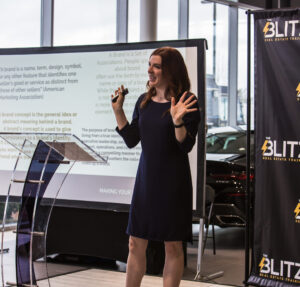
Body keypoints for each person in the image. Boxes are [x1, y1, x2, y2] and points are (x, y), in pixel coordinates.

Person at [111, 46, 200, 287]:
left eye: (156, 66)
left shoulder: (187, 101)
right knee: (134, 243)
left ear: (171, 70)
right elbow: (131, 139)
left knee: (172, 246)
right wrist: (118, 111)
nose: (150, 70)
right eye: (150, 64)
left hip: (173, 184)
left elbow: (185, 145)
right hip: (146, 182)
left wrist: (177, 121)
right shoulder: (144, 101)